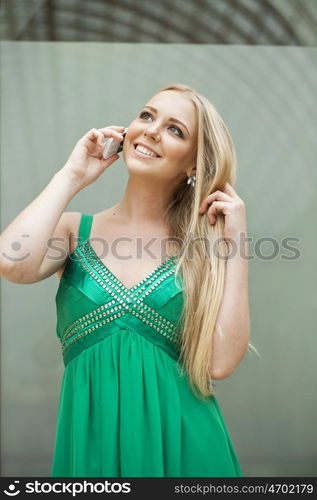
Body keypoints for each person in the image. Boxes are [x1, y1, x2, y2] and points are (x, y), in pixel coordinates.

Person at [0, 83, 253, 477]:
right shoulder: (73, 232)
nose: (152, 130)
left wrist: (236, 242)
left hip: (189, 458)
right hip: (92, 453)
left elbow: (220, 363)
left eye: (175, 129)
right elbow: (11, 262)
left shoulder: (200, 251)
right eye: (148, 116)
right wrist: (71, 175)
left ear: (193, 166)